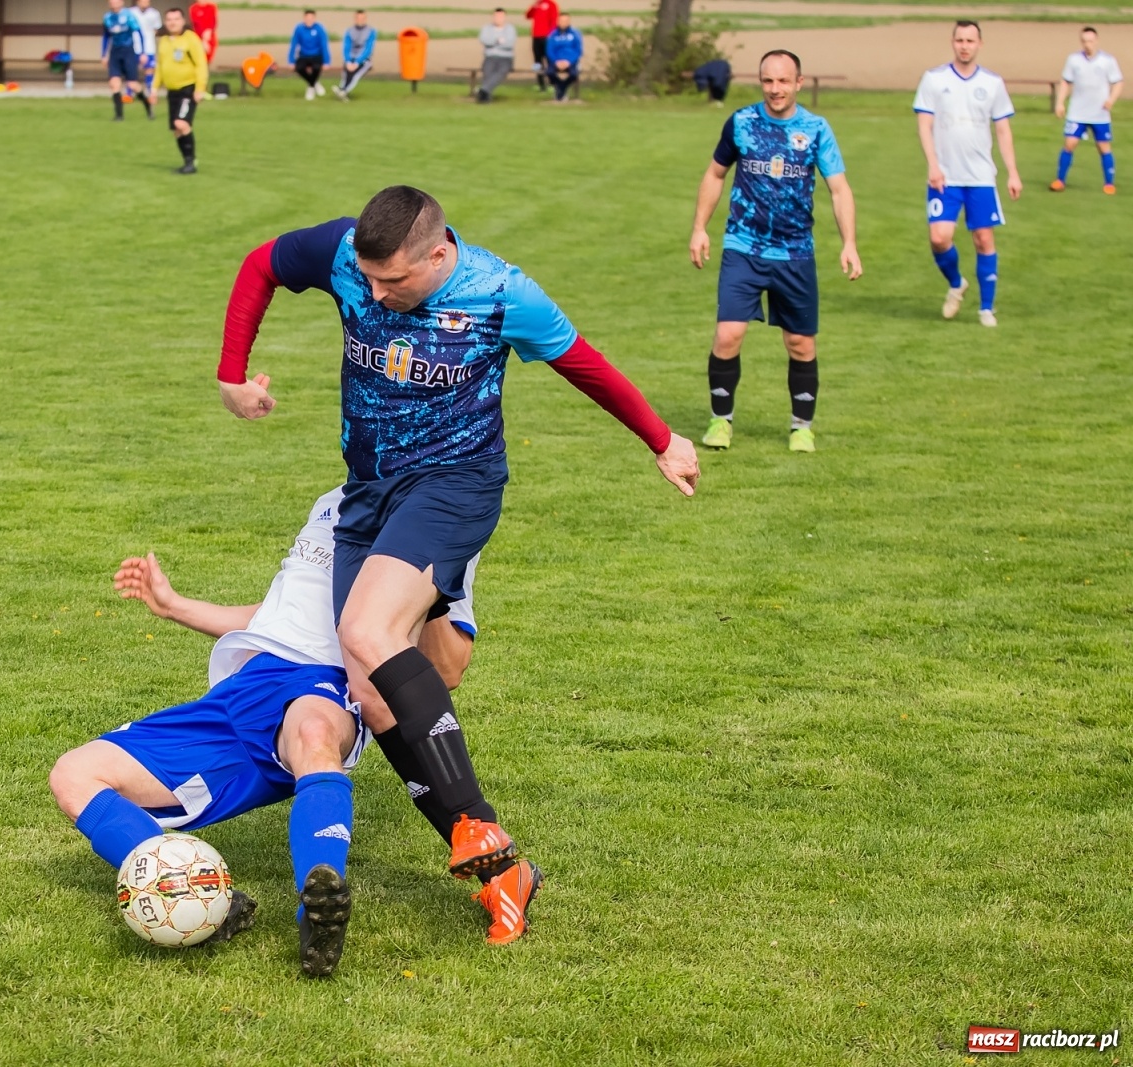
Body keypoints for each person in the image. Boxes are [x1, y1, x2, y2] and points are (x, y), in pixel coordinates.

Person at [212, 186, 702, 943]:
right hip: (367, 494)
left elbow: (585, 364)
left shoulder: (502, 293)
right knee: (372, 694)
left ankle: (477, 824)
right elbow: (262, 263)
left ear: (439, 254)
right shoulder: (344, 252)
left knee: (368, 631)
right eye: (367, 280)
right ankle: (506, 873)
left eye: (393, 281)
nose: (375, 295)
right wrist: (231, 373)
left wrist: (663, 440)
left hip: (455, 485)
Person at [48, 487, 483, 975]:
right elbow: (279, 616)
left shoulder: (440, 516)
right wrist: (173, 605)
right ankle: (205, 895)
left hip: (322, 682)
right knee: (74, 774)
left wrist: (436, 592)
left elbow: (449, 667)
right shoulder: (334, 499)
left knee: (314, 733)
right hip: (238, 692)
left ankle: (318, 911)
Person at [689, 49, 861, 454]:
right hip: (743, 247)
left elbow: (839, 189)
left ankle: (802, 427)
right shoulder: (742, 123)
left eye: (783, 81)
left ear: (799, 83)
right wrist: (699, 228)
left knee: (800, 343)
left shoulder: (815, 129)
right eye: (768, 80)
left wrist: (849, 242)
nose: (775, 88)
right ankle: (720, 421)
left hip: (795, 252)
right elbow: (715, 174)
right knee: (728, 334)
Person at [913, 20, 1021, 328]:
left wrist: (1013, 172)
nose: (964, 46)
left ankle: (986, 309)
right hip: (944, 176)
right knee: (939, 238)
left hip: (981, 177)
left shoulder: (992, 83)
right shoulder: (934, 79)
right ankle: (957, 283)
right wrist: (933, 164)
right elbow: (924, 125)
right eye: (960, 40)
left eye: (970, 41)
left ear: (979, 44)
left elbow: (1003, 131)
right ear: (953, 42)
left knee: (984, 239)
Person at [1051, 27, 1121, 194]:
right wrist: (1060, 103)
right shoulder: (1074, 60)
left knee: (1103, 147)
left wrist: (1111, 100)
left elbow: (1118, 82)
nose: (1087, 44)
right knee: (1069, 144)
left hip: (1099, 113)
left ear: (1096, 41)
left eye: (1090, 41)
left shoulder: (1107, 60)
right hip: (1077, 112)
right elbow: (1066, 81)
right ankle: (1060, 180)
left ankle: (1109, 183)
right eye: (1084, 41)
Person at [153, 7, 207, 174]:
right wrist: (154, 89)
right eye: (169, 20)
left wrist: (200, 88)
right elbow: (160, 67)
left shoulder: (191, 39)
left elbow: (201, 64)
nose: (173, 23)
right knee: (176, 130)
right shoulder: (164, 41)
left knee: (181, 124)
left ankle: (191, 162)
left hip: (188, 88)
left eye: (176, 19)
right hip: (172, 91)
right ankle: (187, 162)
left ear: (183, 21)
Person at [101, 0, 151, 121]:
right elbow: (106, 37)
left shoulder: (128, 16)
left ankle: (148, 106)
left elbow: (139, 33)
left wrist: (143, 52)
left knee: (132, 85)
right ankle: (119, 116)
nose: (114, 3)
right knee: (114, 83)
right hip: (114, 53)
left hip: (128, 52)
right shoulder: (107, 17)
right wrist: (104, 54)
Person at [333, 10, 375, 101]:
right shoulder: (349, 31)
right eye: (358, 18)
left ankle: (344, 91)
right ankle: (342, 90)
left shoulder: (371, 31)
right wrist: (348, 61)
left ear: (365, 19)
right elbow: (346, 47)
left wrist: (357, 62)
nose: (360, 20)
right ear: (355, 19)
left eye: (362, 18)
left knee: (355, 75)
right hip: (351, 58)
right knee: (346, 74)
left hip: (364, 59)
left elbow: (368, 49)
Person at [289, 10, 332, 100]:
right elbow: (294, 44)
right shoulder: (299, 29)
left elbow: (324, 45)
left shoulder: (319, 29)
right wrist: (291, 60)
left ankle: (310, 88)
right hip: (304, 55)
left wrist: (326, 61)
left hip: (316, 55)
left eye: (311, 18)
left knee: (316, 68)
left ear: (314, 18)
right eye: (307, 18)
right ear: (304, 18)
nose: (309, 20)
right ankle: (314, 83)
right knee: (298, 68)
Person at [477, 8, 516, 104]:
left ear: (504, 17)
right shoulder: (486, 28)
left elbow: (509, 44)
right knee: (488, 72)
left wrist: (493, 42)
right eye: (496, 16)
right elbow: (484, 40)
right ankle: (485, 96)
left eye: (501, 16)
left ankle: (483, 90)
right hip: (490, 57)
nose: (498, 18)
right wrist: (498, 40)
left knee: (501, 72)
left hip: (505, 58)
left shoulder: (510, 29)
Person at [133, 0, 164, 105]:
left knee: (149, 69)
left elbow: (156, 29)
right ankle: (129, 94)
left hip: (149, 46)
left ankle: (150, 93)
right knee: (132, 70)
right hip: (134, 46)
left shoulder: (154, 13)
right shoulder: (131, 12)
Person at [545, 14, 581, 102]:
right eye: (561, 21)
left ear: (569, 22)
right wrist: (556, 61)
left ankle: (560, 90)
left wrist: (569, 61)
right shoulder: (553, 35)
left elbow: (578, 50)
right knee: (549, 73)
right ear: (558, 22)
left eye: (566, 21)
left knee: (573, 74)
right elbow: (549, 50)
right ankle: (561, 91)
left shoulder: (575, 34)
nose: (563, 23)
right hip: (556, 61)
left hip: (570, 61)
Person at [525, 0, 557, 92]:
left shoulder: (551, 4)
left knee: (549, 60)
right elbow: (528, 15)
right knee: (537, 62)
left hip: (546, 37)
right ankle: (541, 84)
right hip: (536, 37)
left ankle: (552, 83)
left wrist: (551, 35)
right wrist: (533, 6)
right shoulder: (537, 4)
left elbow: (553, 20)